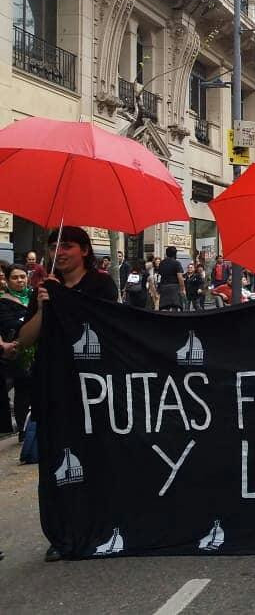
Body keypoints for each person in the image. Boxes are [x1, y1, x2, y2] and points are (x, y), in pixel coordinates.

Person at [16, 227, 118, 563]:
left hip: (93, 387)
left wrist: (67, 300)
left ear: (85, 251)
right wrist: (46, 307)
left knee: (97, 456)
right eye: (54, 246)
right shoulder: (44, 289)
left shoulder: (101, 284)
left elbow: (109, 326)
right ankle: (62, 531)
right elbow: (25, 339)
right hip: (53, 385)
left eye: (68, 246)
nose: (59, 252)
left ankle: (101, 524)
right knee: (56, 460)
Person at [0, 264, 34, 439]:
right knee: (23, 388)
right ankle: (23, 429)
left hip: (37, 350)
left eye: (22, 276)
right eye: (15, 277)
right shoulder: (3, 301)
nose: (20, 280)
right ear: (6, 280)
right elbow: (9, 325)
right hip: (15, 352)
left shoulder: (33, 296)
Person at [156, 246, 186, 311]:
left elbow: (159, 276)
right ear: (175, 254)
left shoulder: (162, 263)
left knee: (164, 307)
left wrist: (159, 288)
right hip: (174, 288)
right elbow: (180, 277)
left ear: (166, 254)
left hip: (164, 287)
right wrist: (182, 289)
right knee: (175, 306)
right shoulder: (176, 263)